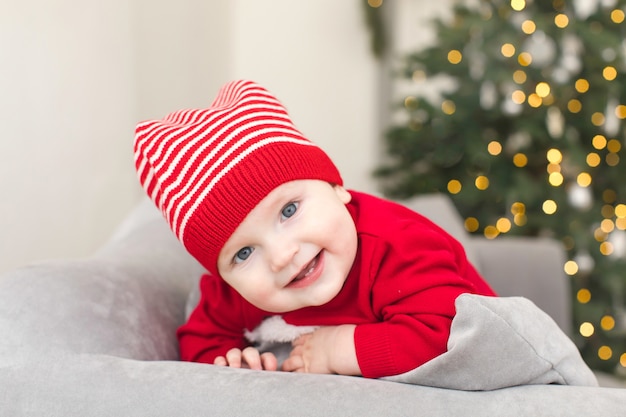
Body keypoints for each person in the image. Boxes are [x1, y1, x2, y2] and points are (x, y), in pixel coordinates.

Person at [133, 79, 497, 379]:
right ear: (224, 275)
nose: (281, 255)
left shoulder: (398, 245)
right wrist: (228, 360)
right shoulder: (235, 293)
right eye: (243, 253)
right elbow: (202, 336)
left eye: (288, 210)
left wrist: (337, 348)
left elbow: (457, 336)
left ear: (337, 187)